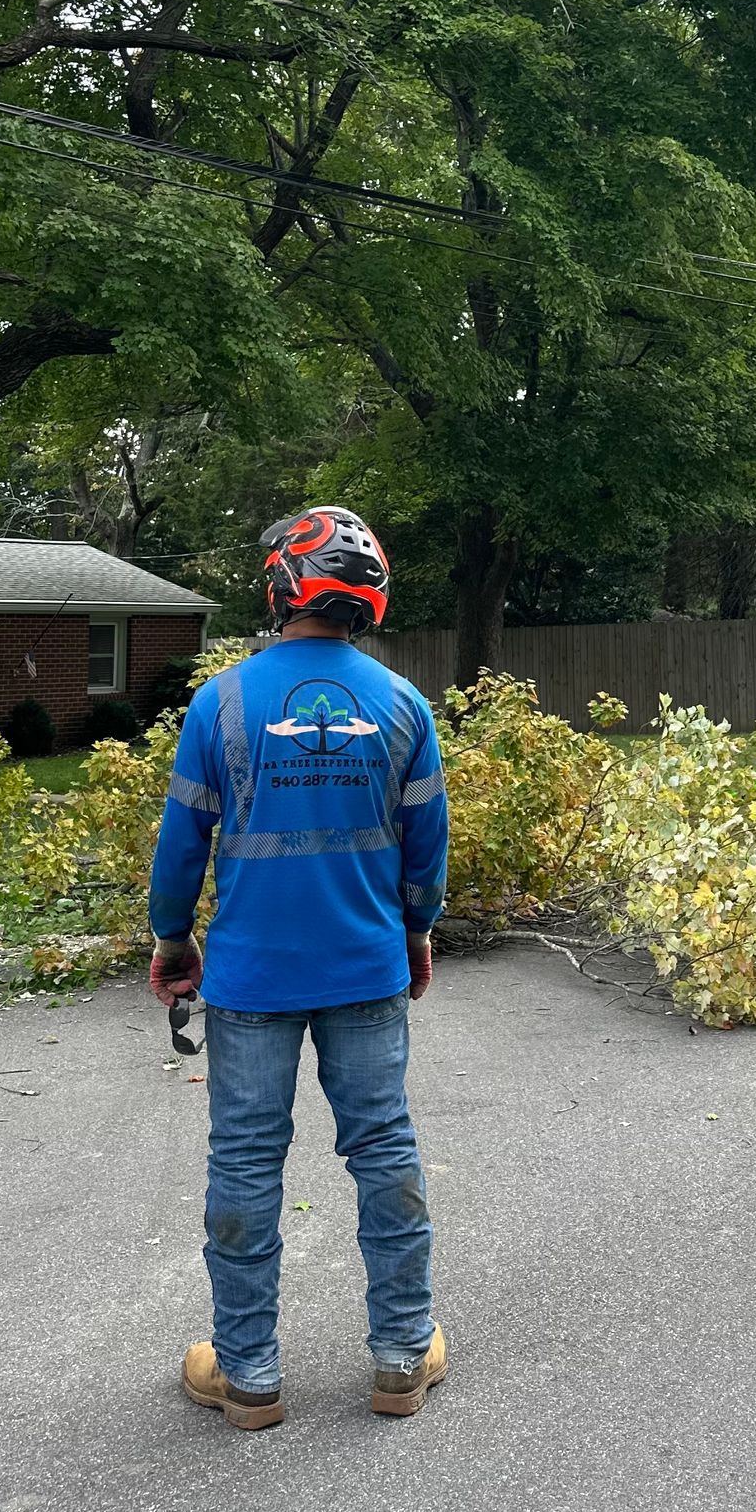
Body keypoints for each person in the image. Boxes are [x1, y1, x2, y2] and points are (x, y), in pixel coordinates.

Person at [148, 506, 450, 1431]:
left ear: (282, 584)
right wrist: (417, 930)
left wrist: (172, 938)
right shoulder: (403, 706)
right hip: (365, 973)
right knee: (383, 1148)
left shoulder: (223, 702)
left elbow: (180, 844)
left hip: (249, 981)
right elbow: (423, 849)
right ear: (371, 597)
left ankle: (248, 1375)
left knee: (245, 1163)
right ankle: (402, 1357)